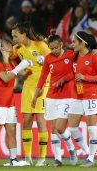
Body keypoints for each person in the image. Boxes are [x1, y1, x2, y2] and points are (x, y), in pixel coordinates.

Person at [31, 34, 78, 167]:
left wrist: (63, 79)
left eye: (56, 48)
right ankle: (58, 158)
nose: (54, 51)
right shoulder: (48, 59)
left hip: (67, 96)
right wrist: (35, 96)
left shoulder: (71, 55)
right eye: (51, 48)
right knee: (53, 129)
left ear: (61, 44)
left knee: (60, 128)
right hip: (51, 96)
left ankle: (71, 149)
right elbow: (42, 77)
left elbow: (75, 72)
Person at [0, 39, 32, 166]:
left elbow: (23, 72)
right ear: (1, 48)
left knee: (12, 131)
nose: (10, 45)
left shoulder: (10, 61)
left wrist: (33, 62)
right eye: (7, 44)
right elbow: (6, 78)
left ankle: (13, 159)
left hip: (10, 103)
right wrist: (20, 67)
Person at [10, 22, 50, 166]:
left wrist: (45, 60)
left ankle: (42, 157)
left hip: (43, 84)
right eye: (12, 35)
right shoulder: (17, 49)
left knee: (40, 120)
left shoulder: (40, 45)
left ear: (24, 34)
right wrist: (19, 70)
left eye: (15, 35)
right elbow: (6, 57)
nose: (13, 38)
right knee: (26, 121)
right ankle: (27, 157)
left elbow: (54, 60)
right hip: (28, 85)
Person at [68, 31, 97, 167]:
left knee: (91, 128)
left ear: (83, 43)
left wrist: (85, 78)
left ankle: (90, 159)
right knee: (72, 128)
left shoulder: (94, 56)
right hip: (77, 95)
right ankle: (88, 151)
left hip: (91, 95)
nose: (72, 44)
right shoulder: (74, 56)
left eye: (74, 42)